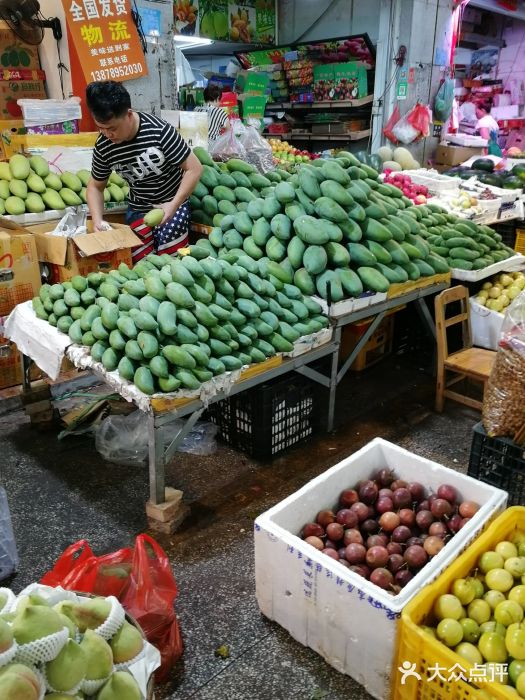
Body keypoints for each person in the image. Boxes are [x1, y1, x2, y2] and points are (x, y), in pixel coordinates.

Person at [85, 81, 202, 263]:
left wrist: (174, 204)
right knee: (140, 267)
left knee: (174, 263)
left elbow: (194, 169)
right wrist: (98, 221)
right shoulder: (103, 145)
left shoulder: (160, 132)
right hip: (138, 210)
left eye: (112, 128)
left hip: (172, 206)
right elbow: (95, 186)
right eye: (101, 128)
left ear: (129, 115)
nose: (108, 135)